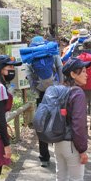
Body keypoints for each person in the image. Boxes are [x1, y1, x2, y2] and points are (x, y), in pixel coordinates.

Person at [53, 58, 91, 181]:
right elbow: (78, 125)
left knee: (61, 179)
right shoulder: (77, 94)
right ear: (72, 74)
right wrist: (82, 149)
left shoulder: (59, 90)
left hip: (57, 143)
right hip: (72, 145)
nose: (86, 73)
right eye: (82, 71)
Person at [28, 36, 63, 168]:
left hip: (41, 94)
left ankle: (44, 157)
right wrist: (61, 85)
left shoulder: (32, 56)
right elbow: (60, 69)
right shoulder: (52, 53)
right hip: (56, 92)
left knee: (41, 123)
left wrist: (36, 90)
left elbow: (30, 77)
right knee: (59, 120)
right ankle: (60, 155)